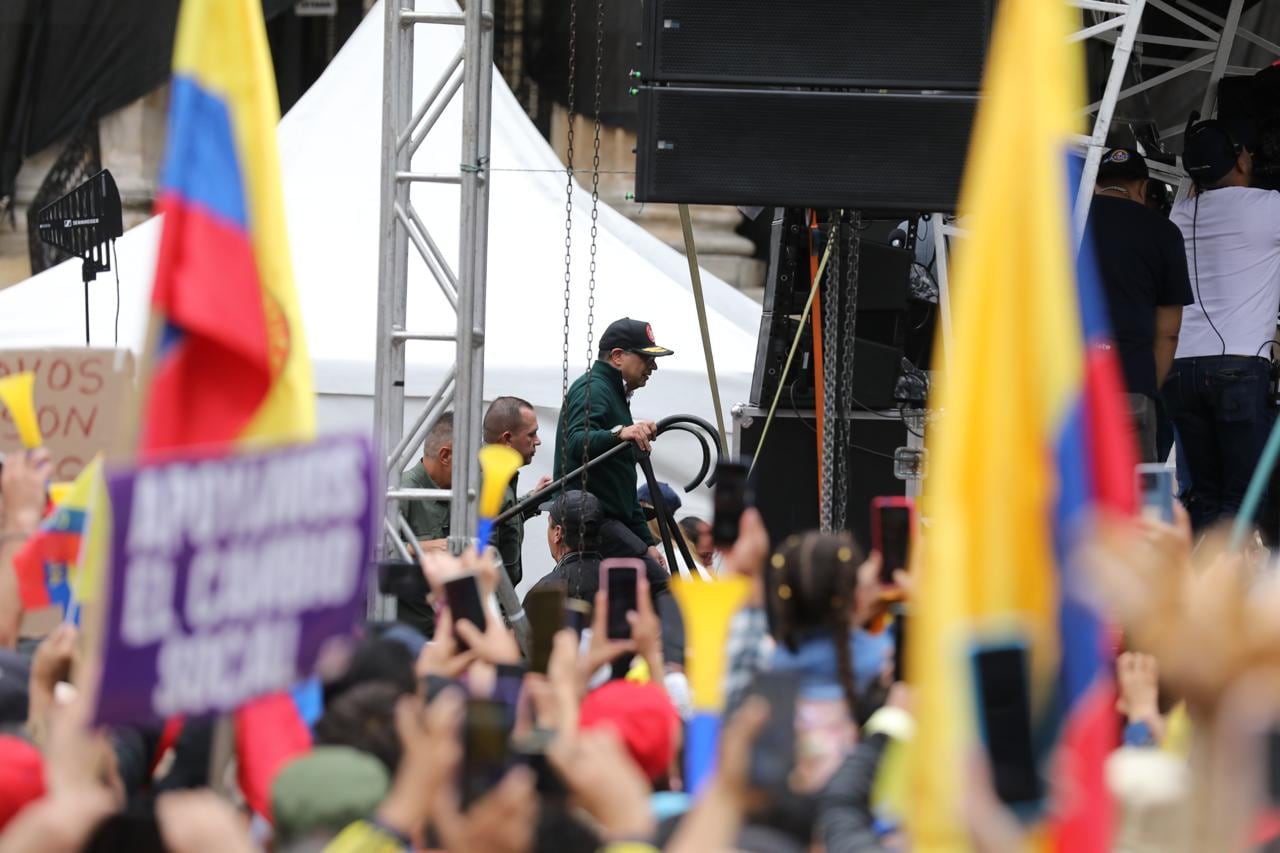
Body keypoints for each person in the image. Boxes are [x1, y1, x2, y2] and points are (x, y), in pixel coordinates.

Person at [1163, 119, 1280, 528]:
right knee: (1243, 502)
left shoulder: (1179, 214)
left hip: (1181, 369)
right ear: (1238, 160)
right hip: (1239, 369)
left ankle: (1199, 585)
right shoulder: (1269, 207)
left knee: (1203, 497)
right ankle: (1232, 586)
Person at [1088, 147, 1193, 462]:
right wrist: (1148, 387)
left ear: (1096, 184)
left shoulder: (1064, 224)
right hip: (1131, 384)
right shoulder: (1164, 233)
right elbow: (1169, 332)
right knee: (1134, 502)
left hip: (1069, 390)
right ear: (1144, 188)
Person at [553, 317, 673, 575]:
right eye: (646, 358)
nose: (653, 367)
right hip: (594, 522)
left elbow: (625, 488)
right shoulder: (594, 387)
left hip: (607, 520)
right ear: (618, 356)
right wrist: (619, 433)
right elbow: (576, 442)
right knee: (662, 586)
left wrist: (648, 543)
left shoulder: (612, 393)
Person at [483, 396, 552, 587]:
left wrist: (531, 499)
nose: (537, 441)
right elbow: (482, 561)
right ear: (507, 439)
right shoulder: (487, 483)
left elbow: (503, 519)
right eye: (531, 434)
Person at [398, 412, 454, 636]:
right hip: (408, 632)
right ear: (445, 456)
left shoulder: (455, 492)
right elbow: (373, 552)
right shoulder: (400, 492)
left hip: (440, 627)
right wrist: (424, 547)